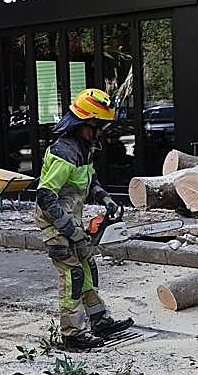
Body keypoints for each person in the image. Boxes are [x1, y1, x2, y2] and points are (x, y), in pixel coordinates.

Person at [35, 88, 133, 350]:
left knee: (88, 266)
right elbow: (45, 196)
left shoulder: (84, 148)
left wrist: (105, 198)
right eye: (99, 125)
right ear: (86, 122)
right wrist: (67, 228)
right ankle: (72, 333)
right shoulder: (63, 151)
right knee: (72, 274)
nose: (101, 131)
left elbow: (89, 181)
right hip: (54, 221)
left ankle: (99, 319)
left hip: (72, 218)